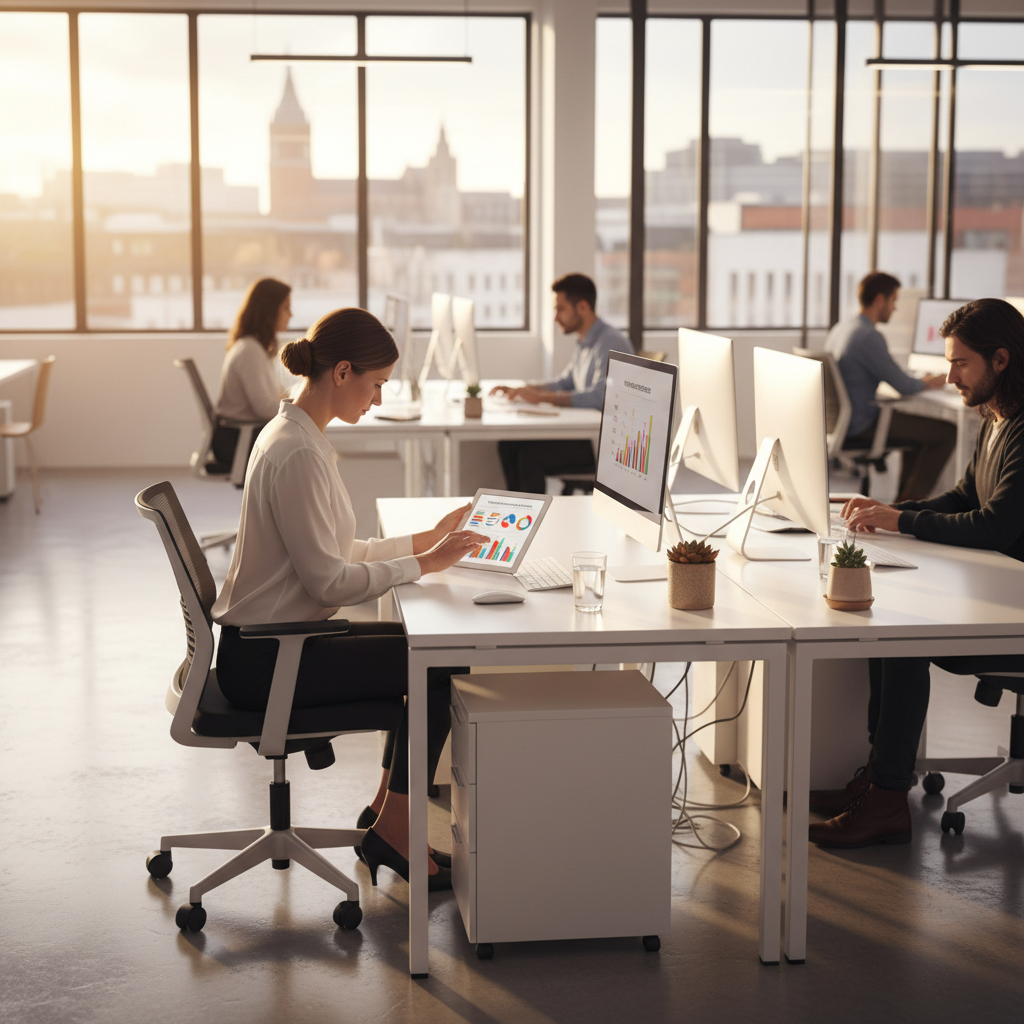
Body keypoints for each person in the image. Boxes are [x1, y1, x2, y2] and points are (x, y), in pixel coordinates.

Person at [211, 307, 488, 890]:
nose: (380, 399)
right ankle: (395, 830)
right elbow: (329, 584)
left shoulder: (295, 435)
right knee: (437, 661)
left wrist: (425, 540)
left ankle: (386, 817)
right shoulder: (299, 454)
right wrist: (423, 565)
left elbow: (336, 552)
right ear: (341, 372)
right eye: (377, 383)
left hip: (273, 642)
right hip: (269, 661)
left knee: (429, 652)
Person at [809, 297, 1024, 848]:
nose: (949, 376)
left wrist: (902, 518)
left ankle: (885, 800)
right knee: (890, 625)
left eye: (960, 364)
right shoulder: (997, 416)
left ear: (1001, 359)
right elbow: (963, 494)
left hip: (1014, 614)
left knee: (902, 635)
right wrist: (890, 513)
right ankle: (881, 782)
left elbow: (996, 525)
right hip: (1000, 591)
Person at [491, 273, 632, 493]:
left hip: (602, 445)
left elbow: (600, 396)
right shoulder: (585, 341)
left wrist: (542, 398)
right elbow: (566, 382)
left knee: (529, 456)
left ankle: (530, 521)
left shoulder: (610, 341)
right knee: (508, 445)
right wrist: (525, 389)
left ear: (583, 307)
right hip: (584, 434)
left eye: (561, 309)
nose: (556, 317)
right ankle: (516, 516)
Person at [825, 271, 955, 501]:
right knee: (947, 432)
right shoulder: (868, 336)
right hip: (862, 424)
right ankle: (908, 505)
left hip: (839, 423)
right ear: (879, 300)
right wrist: (928, 382)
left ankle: (903, 504)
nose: (895, 308)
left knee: (919, 436)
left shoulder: (841, 329)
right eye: (894, 300)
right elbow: (904, 386)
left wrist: (917, 381)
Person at [212, 278, 293, 466]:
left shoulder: (254, 347)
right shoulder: (249, 351)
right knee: (302, 444)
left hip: (243, 435)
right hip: (237, 440)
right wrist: (300, 410)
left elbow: (275, 394)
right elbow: (265, 409)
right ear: (269, 312)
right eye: (286, 307)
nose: (291, 314)